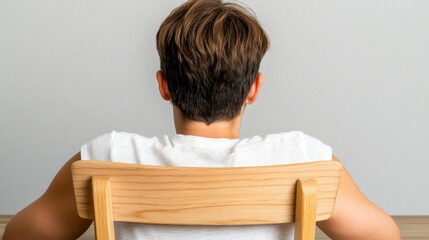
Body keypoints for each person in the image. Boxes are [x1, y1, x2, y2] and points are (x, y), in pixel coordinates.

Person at [3, 0, 401, 239]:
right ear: (254, 89)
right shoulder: (303, 157)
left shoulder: (110, 155)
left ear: (163, 85)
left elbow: (20, 236)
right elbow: (385, 236)